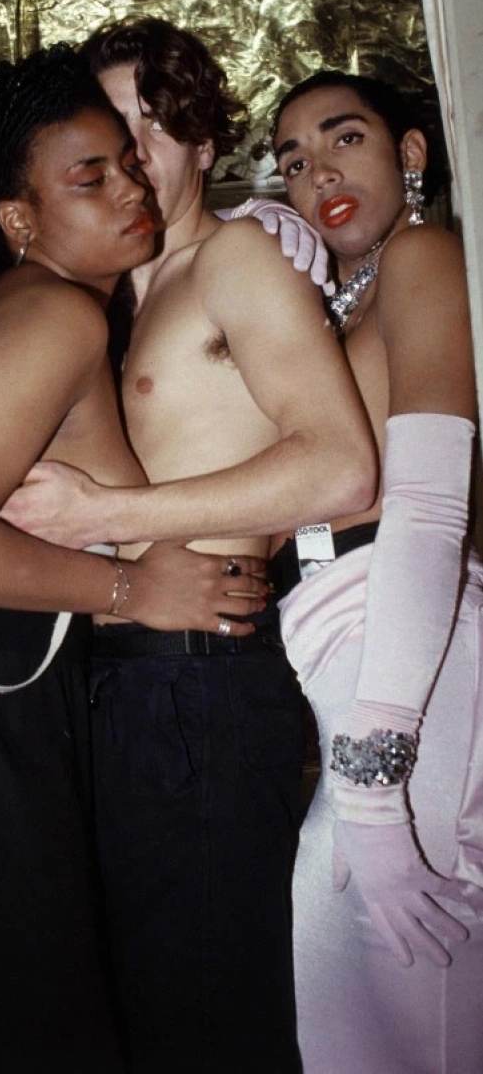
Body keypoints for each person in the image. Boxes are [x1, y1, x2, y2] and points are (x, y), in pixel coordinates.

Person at [0, 43, 272, 1074]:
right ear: (18, 218)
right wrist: (135, 584)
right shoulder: (51, 312)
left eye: (127, 166)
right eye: (90, 177)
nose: (129, 187)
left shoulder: (48, 307)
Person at [0, 18, 377, 1073]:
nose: (129, 155)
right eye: (108, 130)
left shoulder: (238, 256)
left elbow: (341, 467)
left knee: (208, 1012)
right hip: (118, 681)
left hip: (202, 678)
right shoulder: (106, 289)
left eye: (153, 127)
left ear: (203, 143)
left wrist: (108, 520)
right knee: (147, 1008)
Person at [267, 70, 483, 1073]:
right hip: (345, 667)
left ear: (411, 153)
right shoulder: (335, 305)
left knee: (411, 1024)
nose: (318, 173)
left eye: (343, 138)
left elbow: (429, 510)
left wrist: (370, 783)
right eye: (292, 162)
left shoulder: (423, 257)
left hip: (409, 666)